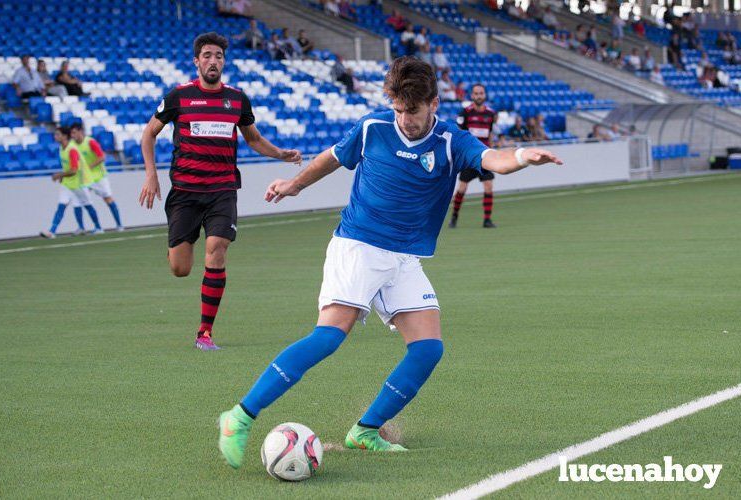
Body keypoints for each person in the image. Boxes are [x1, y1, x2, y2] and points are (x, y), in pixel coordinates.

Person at [216, 57, 561, 465]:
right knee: (329, 336)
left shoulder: (452, 140)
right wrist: (294, 185)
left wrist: (522, 155)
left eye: (411, 111)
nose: (403, 119)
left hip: (403, 257)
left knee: (428, 349)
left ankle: (364, 430)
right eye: (398, 109)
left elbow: (493, 160)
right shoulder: (373, 127)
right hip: (358, 244)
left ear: (433, 103)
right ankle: (239, 417)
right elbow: (331, 157)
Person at [138, 32, 302, 351]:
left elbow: (253, 139)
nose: (214, 61)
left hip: (222, 190)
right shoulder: (178, 97)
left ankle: (205, 332)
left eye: (219, 56)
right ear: (197, 61)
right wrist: (151, 176)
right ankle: (180, 243)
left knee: (217, 247)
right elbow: (148, 135)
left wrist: (281, 153)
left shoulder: (237, 99)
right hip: (184, 193)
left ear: (224, 62)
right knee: (180, 269)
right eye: (208, 56)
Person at [40, 126, 102, 239]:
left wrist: (59, 175)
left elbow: (74, 170)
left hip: (79, 182)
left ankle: (98, 227)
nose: (55, 136)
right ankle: (52, 231)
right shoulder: (61, 148)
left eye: (58, 134)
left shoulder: (72, 149)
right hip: (68, 183)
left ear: (64, 136)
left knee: (87, 205)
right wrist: (63, 177)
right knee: (61, 205)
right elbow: (67, 167)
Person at [450, 84, 498, 229]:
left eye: (481, 93)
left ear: (484, 95)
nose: (478, 96)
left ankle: (487, 220)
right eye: (476, 93)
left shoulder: (491, 114)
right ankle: (454, 217)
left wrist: (492, 150)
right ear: (472, 95)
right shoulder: (465, 113)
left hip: (485, 157)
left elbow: (489, 134)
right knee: (462, 188)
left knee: (488, 186)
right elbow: (459, 134)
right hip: (469, 158)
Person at [70, 123, 123, 231]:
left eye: (74, 132)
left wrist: (89, 167)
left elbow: (102, 157)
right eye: (71, 133)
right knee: (78, 200)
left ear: (81, 131)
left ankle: (119, 225)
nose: (72, 135)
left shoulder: (90, 142)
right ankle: (88, 227)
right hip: (84, 179)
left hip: (98, 177)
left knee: (107, 199)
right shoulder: (72, 145)